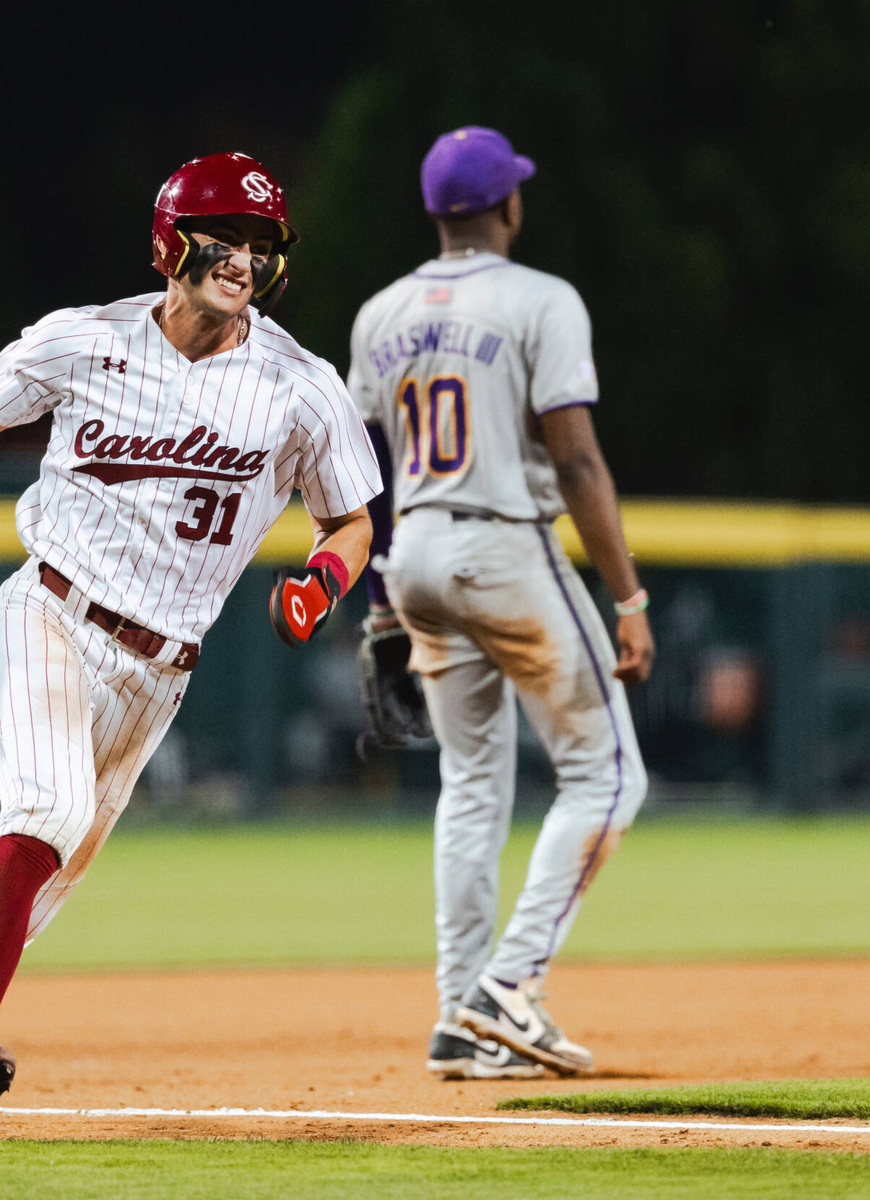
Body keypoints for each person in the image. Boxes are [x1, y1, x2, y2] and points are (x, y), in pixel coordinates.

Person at [0, 152, 379, 1139]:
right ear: (174, 239)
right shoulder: (85, 341)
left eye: (262, 243)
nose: (245, 259)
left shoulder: (302, 385)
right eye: (227, 235)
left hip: (160, 676)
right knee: (42, 811)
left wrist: (321, 584)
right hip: (49, 614)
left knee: (17, 906)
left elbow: (351, 521)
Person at [348, 127, 655, 1080]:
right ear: (509, 207)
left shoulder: (379, 313)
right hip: (503, 544)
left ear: (438, 214)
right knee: (608, 776)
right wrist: (629, 596)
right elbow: (575, 458)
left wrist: (381, 600)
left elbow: (363, 476)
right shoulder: (541, 300)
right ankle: (509, 988)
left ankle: (455, 1018)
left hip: (418, 557)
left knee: (472, 784)